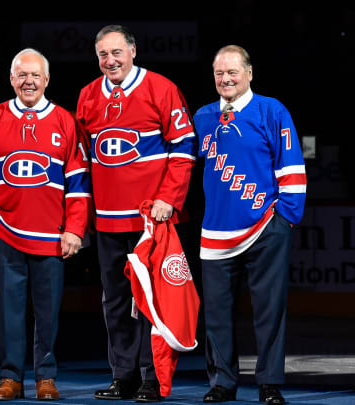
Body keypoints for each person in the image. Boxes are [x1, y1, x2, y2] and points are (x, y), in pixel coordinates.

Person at [76, 24, 197, 402]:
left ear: (132, 51)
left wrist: (169, 198)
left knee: (151, 299)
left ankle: (151, 376)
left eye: (116, 52)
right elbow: (82, 159)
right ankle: (123, 375)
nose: (109, 60)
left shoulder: (161, 88)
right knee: (114, 300)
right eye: (102, 55)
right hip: (108, 219)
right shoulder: (87, 95)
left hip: (151, 219)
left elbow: (184, 147)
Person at [0, 48, 91, 401]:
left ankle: (45, 378)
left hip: (52, 235)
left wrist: (75, 229)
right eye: (21, 75)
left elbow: (79, 183)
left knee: (48, 312)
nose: (29, 81)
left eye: (35, 75)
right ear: (11, 79)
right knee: (8, 312)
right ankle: (10, 377)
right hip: (5, 231)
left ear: (47, 80)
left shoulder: (65, 121)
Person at [193, 45, 306, 405]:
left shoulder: (272, 110)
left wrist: (285, 218)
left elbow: (291, 166)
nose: (225, 79)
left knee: (270, 311)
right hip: (215, 233)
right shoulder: (203, 116)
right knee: (216, 316)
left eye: (232, 72)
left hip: (264, 228)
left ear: (249, 73)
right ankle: (223, 383)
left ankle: (269, 383)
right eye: (219, 74)